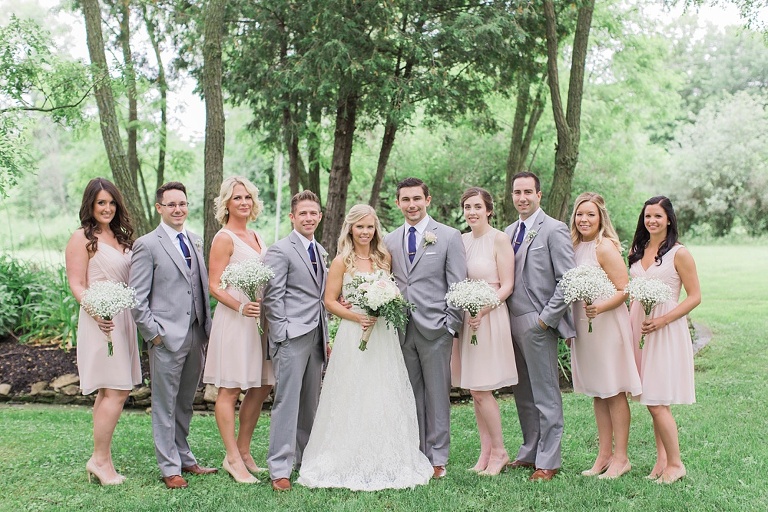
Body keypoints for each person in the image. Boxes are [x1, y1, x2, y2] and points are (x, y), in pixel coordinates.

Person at [297, 204, 434, 490]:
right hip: (353, 333)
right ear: (350, 229)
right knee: (352, 390)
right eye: (360, 226)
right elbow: (329, 301)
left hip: (382, 334)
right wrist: (357, 316)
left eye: (370, 227)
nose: (365, 232)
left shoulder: (383, 258)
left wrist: (384, 305)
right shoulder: (341, 262)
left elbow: (392, 292)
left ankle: (385, 455)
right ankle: (346, 454)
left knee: (382, 390)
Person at [130, 181, 216, 489]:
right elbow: (137, 298)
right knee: (164, 404)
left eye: (182, 203)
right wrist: (154, 335)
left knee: (185, 402)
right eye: (171, 204)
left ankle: (184, 456)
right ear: (159, 208)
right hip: (165, 337)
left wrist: (205, 330)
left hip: (195, 334)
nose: (178, 209)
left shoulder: (194, 239)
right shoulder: (147, 244)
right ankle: (169, 467)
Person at [384, 177, 467, 479]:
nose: (412, 205)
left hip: (436, 328)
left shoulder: (448, 236)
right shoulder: (389, 240)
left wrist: (450, 325)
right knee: (410, 394)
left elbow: (457, 283)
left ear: (427, 200)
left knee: (437, 395)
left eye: (417, 198)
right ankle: (416, 452)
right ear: (398, 203)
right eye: (405, 199)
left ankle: (438, 456)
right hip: (401, 329)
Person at [65, 177, 141, 485]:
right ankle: (98, 460)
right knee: (117, 390)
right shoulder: (81, 238)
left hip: (123, 319)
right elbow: (77, 284)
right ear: (90, 205)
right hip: (100, 321)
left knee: (109, 391)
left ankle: (102, 459)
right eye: (101, 203)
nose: (107, 208)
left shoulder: (121, 237)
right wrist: (97, 312)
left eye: (111, 203)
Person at [503, 171, 575, 481]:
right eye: (517, 192)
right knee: (523, 394)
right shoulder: (508, 232)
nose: (522, 198)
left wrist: (546, 319)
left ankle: (548, 460)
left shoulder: (554, 230)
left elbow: (568, 279)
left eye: (527, 192)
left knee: (546, 394)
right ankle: (529, 451)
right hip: (510, 323)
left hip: (538, 322)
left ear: (539, 195)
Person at [203, 177, 274, 484]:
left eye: (247, 197)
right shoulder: (224, 238)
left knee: (262, 385)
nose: (244, 202)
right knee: (230, 389)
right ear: (226, 204)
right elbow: (214, 285)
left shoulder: (257, 235)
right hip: (235, 320)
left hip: (260, 321)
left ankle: (244, 451)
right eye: (237, 198)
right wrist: (241, 306)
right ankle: (232, 457)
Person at [568, 192, 642, 479]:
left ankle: (621, 458)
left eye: (590, 214)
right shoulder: (574, 246)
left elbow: (625, 289)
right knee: (598, 392)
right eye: (580, 214)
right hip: (585, 328)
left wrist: (599, 307)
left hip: (607, 325)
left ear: (600, 218)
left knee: (613, 389)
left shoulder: (604, 247)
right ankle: (604, 456)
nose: (584, 219)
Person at [628, 196, 700, 484]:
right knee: (652, 399)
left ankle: (676, 464)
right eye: (648, 216)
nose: (652, 221)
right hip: (639, 326)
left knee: (657, 400)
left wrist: (662, 320)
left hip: (665, 328)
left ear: (669, 219)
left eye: (658, 216)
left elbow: (695, 296)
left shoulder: (679, 254)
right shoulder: (637, 250)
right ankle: (662, 461)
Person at [263, 190, 328, 492]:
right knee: (287, 402)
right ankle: (280, 468)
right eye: (303, 213)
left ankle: (305, 460)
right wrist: (281, 335)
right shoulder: (280, 250)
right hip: (291, 337)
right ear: (292, 217)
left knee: (309, 403)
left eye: (313, 213)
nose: (308, 218)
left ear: (320, 216)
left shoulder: (320, 250)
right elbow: (272, 297)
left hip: (316, 336)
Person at [451, 187, 517, 476]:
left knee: (481, 388)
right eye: (467, 207)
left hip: (490, 317)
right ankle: (485, 452)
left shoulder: (499, 239)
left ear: (488, 210)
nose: (472, 212)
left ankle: (500, 451)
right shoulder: (461, 240)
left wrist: (484, 309)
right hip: (468, 317)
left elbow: (507, 285)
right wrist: (468, 309)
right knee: (474, 389)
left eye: (477, 206)